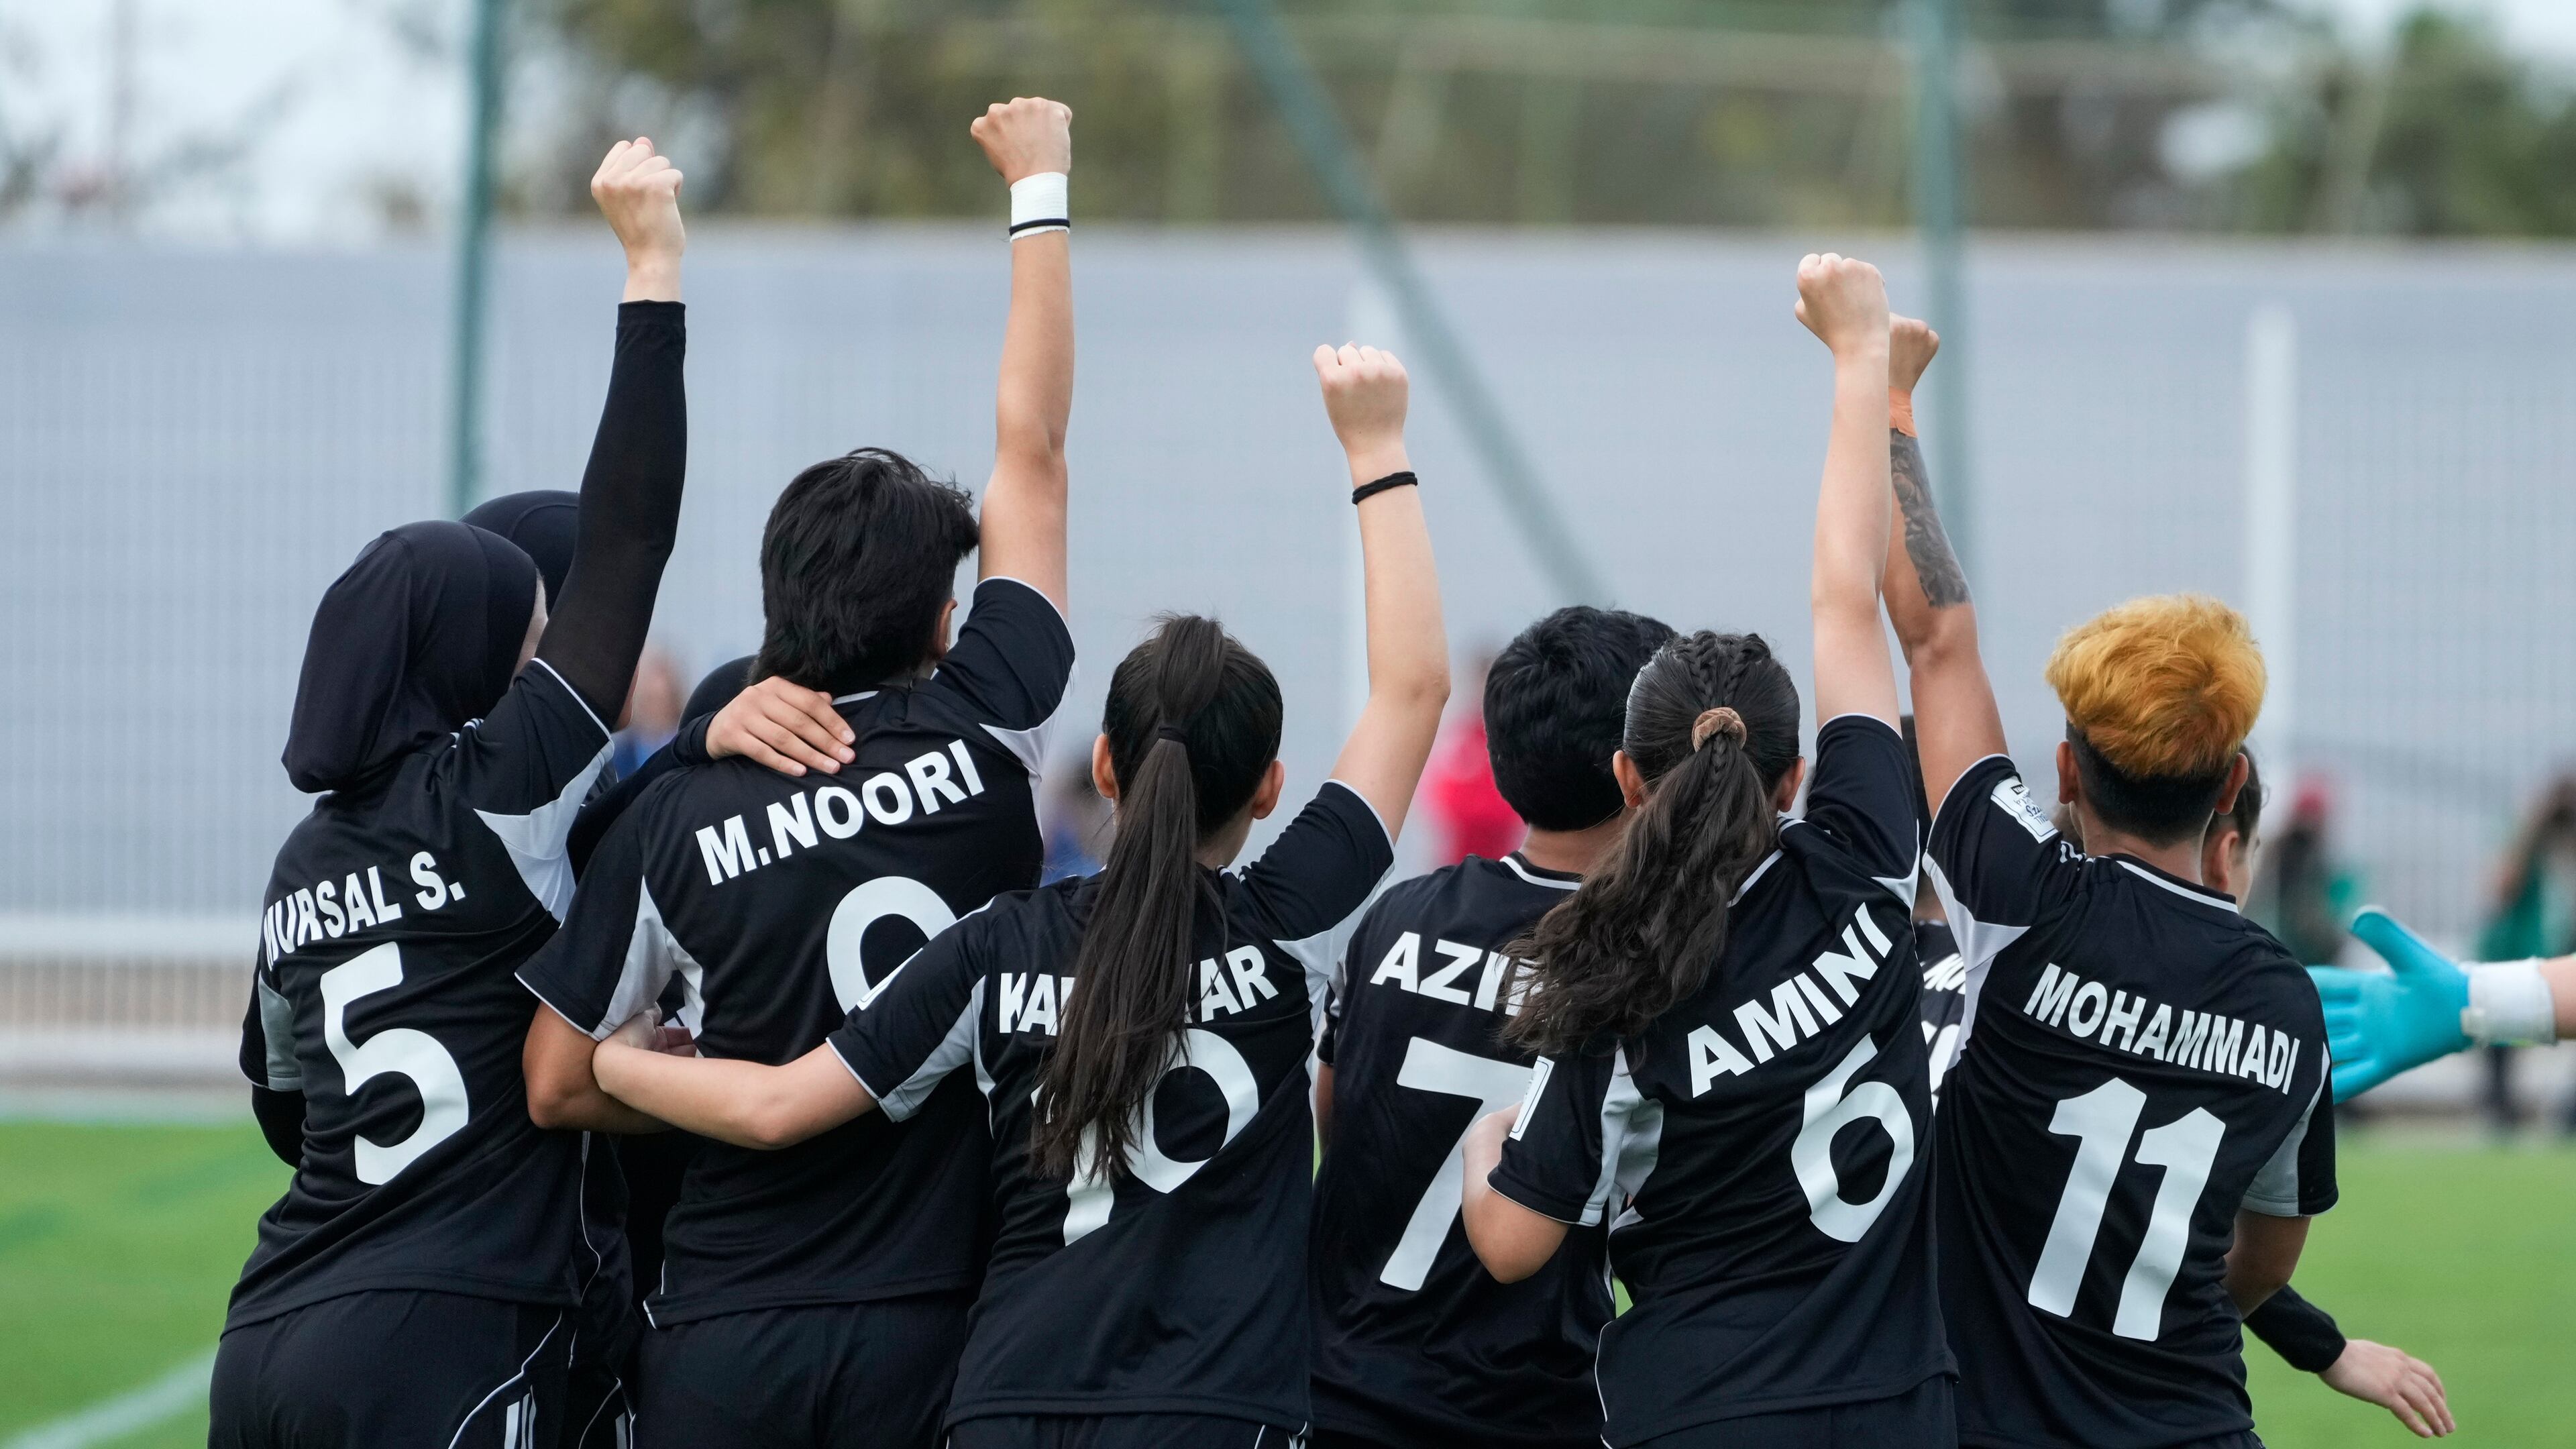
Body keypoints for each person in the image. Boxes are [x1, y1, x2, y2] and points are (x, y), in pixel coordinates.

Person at [582, 338, 1446, 1449]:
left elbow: (775, 1107)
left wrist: (607, 1059)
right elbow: (1413, 691)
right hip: (1217, 1414)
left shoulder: (997, 950)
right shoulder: (1293, 930)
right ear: (1272, 789)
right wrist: (1378, 449)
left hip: (1010, 1406)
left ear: (1102, 770)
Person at [515, 96, 1080, 1449]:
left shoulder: (680, 816)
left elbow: (555, 1081)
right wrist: (1040, 191)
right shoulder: (988, 727)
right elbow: (1034, 457)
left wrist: (672, 1073)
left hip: (725, 1330)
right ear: (945, 623)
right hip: (942, 1320)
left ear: (779, 604)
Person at [213, 137, 693, 1449]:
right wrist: (652, 272)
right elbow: (631, 540)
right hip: (445, 1335)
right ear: (476, 657)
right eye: (526, 624)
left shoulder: (303, 859)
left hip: (264, 1336)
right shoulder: (497, 794)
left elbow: (284, 1103)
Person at [1460, 254, 1955, 1449]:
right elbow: (1848, 603)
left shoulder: (1611, 972)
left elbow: (1515, 1243)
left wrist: (1489, 1144)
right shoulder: (1865, 861)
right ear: (1799, 777)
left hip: (1697, 1413)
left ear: (1626, 780)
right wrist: (1868, 376)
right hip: (1897, 1413)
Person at [1882, 314, 2336, 1447]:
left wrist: (1886, 400)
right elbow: (2261, 1264)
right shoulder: (2286, 1001)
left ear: (2067, 770)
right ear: (2234, 784)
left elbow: (1936, 641)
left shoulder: (2019, 900)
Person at [1309, 604, 1674, 1449]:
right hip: (1532, 1414)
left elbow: (1342, 1117)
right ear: (1641, 772)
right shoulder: (1646, 967)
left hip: (1344, 1394)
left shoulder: (1395, 920)